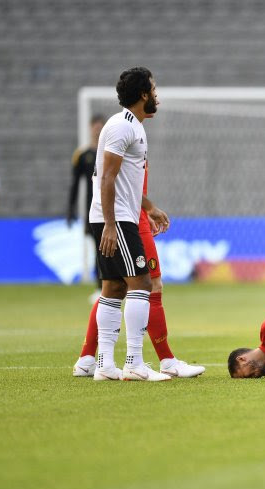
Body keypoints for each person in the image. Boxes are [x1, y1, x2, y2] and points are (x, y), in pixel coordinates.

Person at [72, 167, 206, 379]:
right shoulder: (126, 134)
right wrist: (148, 209)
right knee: (150, 285)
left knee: (116, 286)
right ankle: (166, 361)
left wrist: (143, 211)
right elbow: (114, 180)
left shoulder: (126, 137)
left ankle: (88, 359)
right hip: (126, 217)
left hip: (129, 213)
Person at [86, 66, 169, 382]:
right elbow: (106, 176)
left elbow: (124, 180)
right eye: (154, 89)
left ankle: (105, 366)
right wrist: (110, 224)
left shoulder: (130, 125)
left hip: (117, 215)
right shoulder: (124, 127)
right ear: (144, 94)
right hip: (117, 219)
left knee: (114, 287)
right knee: (142, 284)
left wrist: (149, 207)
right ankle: (134, 362)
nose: (157, 95)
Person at [67, 115, 105, 295]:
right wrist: (70, 208)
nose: (97, 129)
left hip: (113, 209)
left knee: (108, 250)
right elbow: (75, 184)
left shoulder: (110, 152)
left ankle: (112, 287)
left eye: (100, 126)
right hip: (93, 210)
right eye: (95, 126)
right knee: (98, 249)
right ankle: (101, 288)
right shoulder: (82, 156)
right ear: (90, 128)